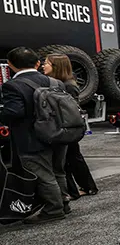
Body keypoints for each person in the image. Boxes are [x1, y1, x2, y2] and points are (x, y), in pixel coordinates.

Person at [0, 47, 66, 222]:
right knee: (58, 171)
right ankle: (64, 202)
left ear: (10, 65)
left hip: (32, 138)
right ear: (37, 63)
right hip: (59, 134)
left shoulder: (12, 86)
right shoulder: (55, 83)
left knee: (44, 175)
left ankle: (54, 209)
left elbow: (14, 112)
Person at [43, 53, 98, 198]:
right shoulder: (61, 84)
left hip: (67, 126)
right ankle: (85, 187)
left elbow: (70, 108)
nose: (43, 65)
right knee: (72, 157)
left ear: (56, 66)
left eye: (46, 63)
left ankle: (81, 189)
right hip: (65, 126)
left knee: (71, 158)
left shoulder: (67, 85)